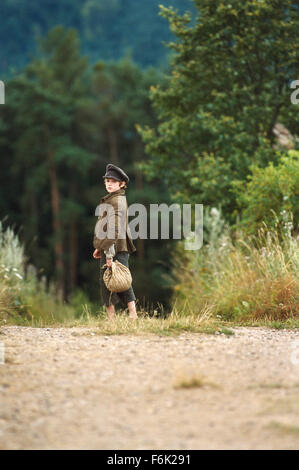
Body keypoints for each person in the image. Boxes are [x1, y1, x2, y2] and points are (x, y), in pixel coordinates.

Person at [93, 163, 137, 320]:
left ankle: (130, 315)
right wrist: (100, 247)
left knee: (119, 281)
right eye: (107, 181)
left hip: (115, 248)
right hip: (111, 247)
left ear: (122, 184)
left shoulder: (116, 201)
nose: (109, 183)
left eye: (113, 181)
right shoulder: (113, 199)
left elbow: (114, 230)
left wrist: (109, 255)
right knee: (113, 281)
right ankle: (118, 317)